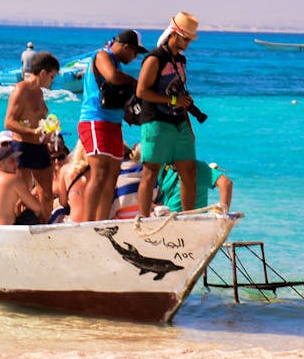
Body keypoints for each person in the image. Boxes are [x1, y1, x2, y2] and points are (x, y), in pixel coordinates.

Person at [136, 12, 200, 217]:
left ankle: (188, 218)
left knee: (189, 172)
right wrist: (173, 101)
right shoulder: (155, 58)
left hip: (179, 122)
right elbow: (142, 91)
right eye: (186, 38)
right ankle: (143, 219)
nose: (188, 43)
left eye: (191, 39)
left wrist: (189, 128)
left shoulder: (181, 60)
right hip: (156, 122)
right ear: (175, 34)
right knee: (150, 172)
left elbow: (181, 95)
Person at [78, 29, 146, 221]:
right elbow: (112, 77)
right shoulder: (102, 56)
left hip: (113, 124)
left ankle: (101, 222)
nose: (134, 58)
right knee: (99, 174)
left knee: (112, 176)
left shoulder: (117, 65)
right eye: (135, 53)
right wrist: (135, 82)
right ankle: (88, 222)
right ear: (126, 47)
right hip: (95, 120)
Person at [3, 51, 60, 216]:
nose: (53, 81)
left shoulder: (40, 92)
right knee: (22, 196)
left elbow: (38, 120)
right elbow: (8, 122)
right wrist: (32, 132)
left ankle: (45, 228)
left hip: (39, 147)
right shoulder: (21, 89)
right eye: (52, 76)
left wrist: (50, 130)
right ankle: (19, 228)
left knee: (47, 195)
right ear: (43, 73)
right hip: (22, 147)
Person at [0, 141, 47, 226]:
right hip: (5, 232)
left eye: (16, 160)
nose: (16, 163)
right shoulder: (12, 179)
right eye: (12, 161)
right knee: (33, 213)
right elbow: (37, 208)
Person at [158, 160, 232, 212]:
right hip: (167, 220)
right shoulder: (165, 167)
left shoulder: (198, 167)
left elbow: (226, 183)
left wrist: (222, 213)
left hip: (192, 224)